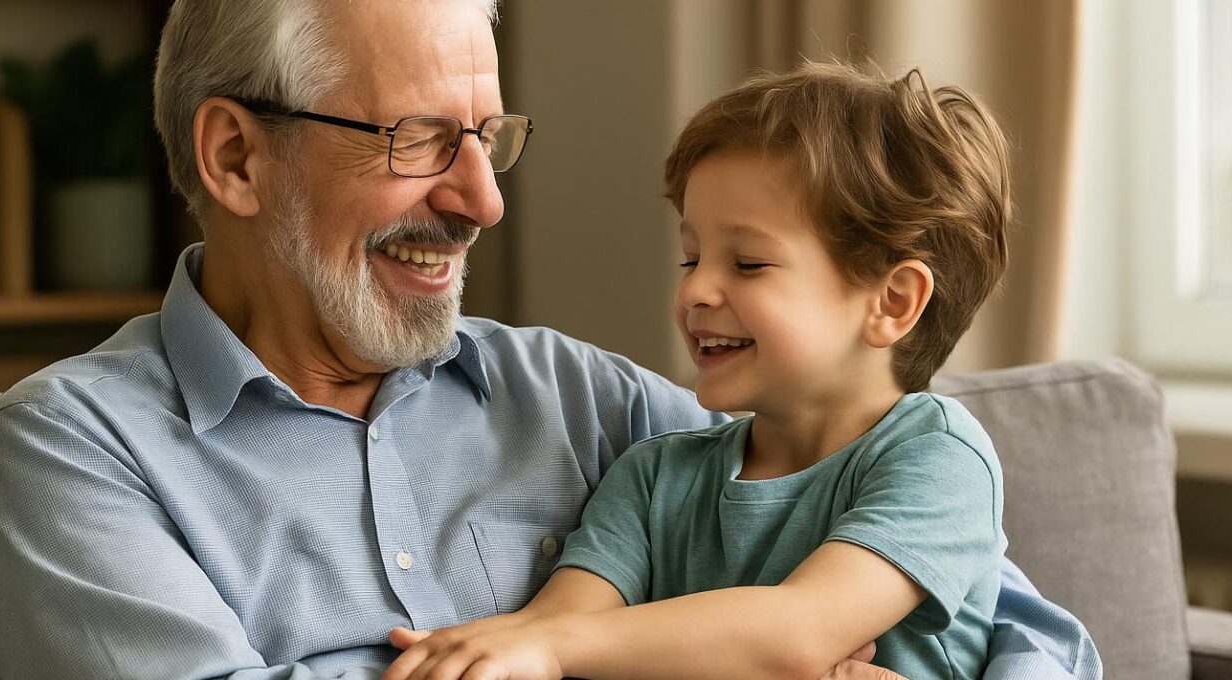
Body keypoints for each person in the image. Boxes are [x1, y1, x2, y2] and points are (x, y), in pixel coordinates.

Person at [0, 1, 1100, 679]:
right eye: (419, 139)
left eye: (486, 137)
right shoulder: (80, 451)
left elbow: (1003, 613)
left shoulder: (586, 401)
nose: (483, 201)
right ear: (236, 159)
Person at [382, 61, 1028, 680]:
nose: (695, 292)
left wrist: (550, 643)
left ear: (892, 303)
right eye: (692, 259)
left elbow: (799, 635)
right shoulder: (654, 478)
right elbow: (559, 629)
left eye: (747, 263)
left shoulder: (938, 459)